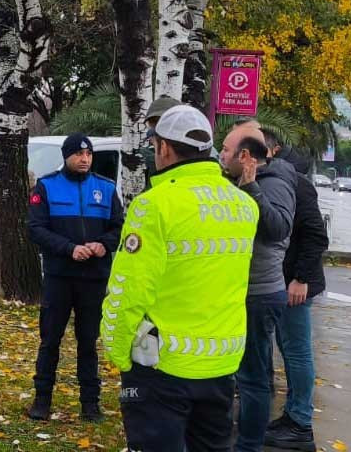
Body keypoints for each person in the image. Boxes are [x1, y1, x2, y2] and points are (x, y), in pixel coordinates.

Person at [102, 105, 259, 452]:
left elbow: (129, 290)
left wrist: (116, 349)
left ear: (164, 148)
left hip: (162, 365)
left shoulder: (154, 205)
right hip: (221, 362)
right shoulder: (244, 205)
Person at [26, 133, 124, 422]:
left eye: (89, 155)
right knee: (50, 340)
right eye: (79, 154)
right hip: (59, 277)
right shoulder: (46, 187)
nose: (84, 159)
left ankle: (90, 404)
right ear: (66, 156)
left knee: (88, 341)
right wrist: (69, 249)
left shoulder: (105, 188)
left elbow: (120, 226)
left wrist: (103, 244)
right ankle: (42, 401)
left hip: (93, 278)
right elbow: (36, 229)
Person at [220, 121, 297, 452]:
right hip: (238, 290)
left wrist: (251, 188)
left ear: (246, 156)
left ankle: (248, 445)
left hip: (259, 294)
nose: (220, 155)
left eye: (225, 150)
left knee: (253, 377)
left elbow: (277, 228)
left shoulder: (274, 183)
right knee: (235, 374)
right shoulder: (237, 180)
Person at [261, 130, 329, 452]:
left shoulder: (296, 183)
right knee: (287, 348)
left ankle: (300, 423)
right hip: (281, 281)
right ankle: (291, 415)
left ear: (273, 149)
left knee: (297, 351)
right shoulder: (273, 179)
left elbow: (316, 235)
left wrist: (300, 279)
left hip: (295, 285)